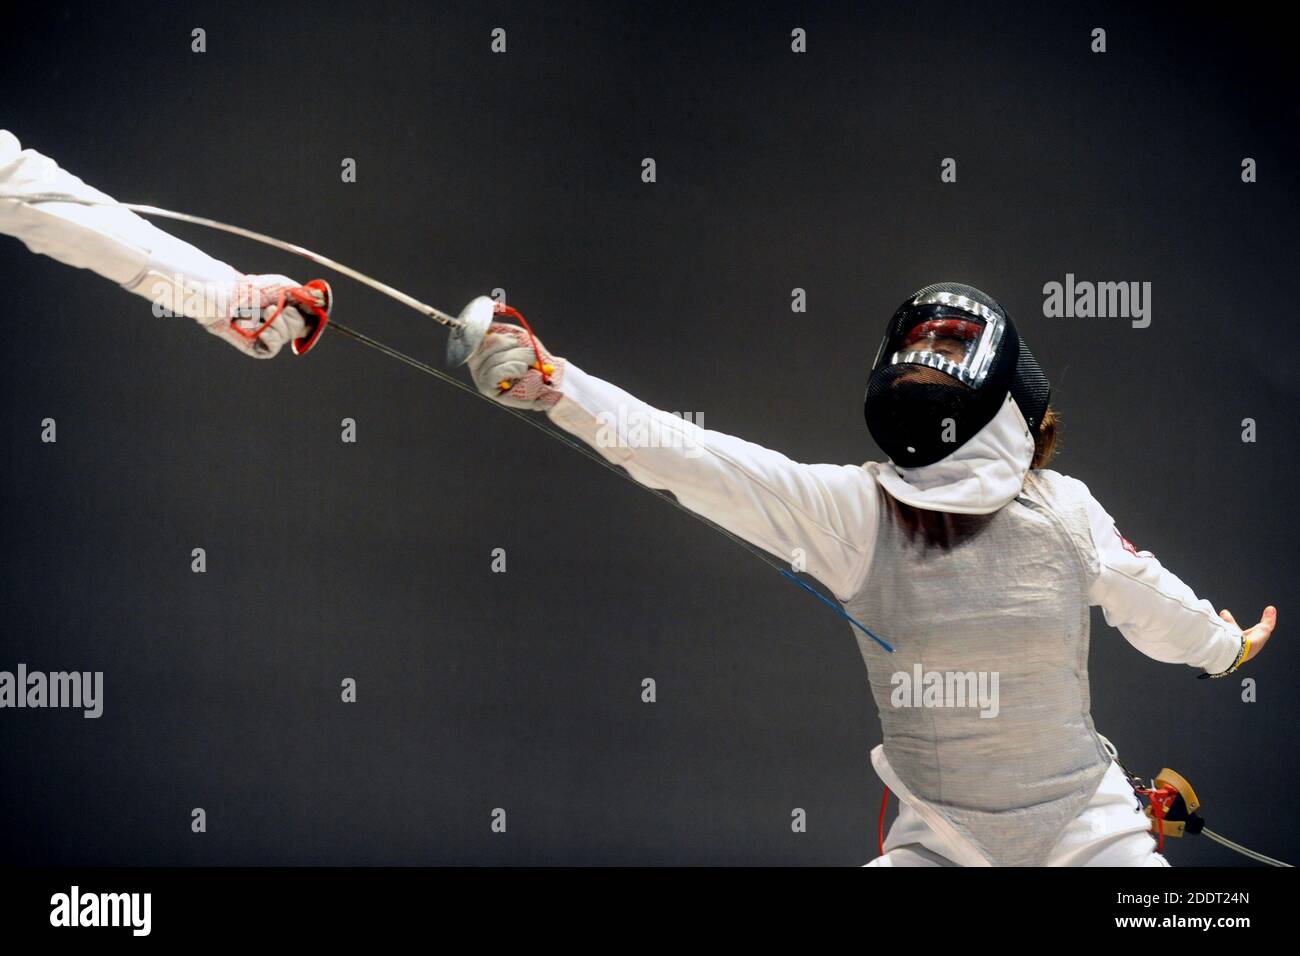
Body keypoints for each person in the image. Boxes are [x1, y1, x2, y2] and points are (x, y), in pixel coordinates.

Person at [0, 132, 1278, 866]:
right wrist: (549, 386)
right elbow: (677, 451)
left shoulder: (986, 515)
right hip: (937, 840)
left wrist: (1222, 643)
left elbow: (1151, 600)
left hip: (1085, 832)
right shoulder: (872, 513)